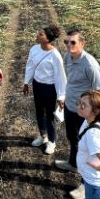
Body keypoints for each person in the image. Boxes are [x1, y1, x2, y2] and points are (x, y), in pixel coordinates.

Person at [55, 29, 100, 199]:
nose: (69, 45)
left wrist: (93, 116)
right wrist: (64, 97)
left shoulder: (90, 65)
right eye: (66, 42)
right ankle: (73, 164)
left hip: (85, 113)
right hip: (70, 106)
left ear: (82, 44)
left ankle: (85, 185)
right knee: (72, 138)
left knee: (87, 148)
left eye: (73, 42)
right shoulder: (68, 56)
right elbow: (69, 80)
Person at [22, 23, 67, 155]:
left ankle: (52, 142)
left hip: (50, 89)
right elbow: (30, 66)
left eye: (41, 34)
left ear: (48, 39)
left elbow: (60, 77)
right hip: (37, 85)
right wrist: (26, 83)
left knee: (50, 117)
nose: (37, 35)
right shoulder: (34, 49)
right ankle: (43, 136)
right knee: (39, 112)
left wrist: (61, 96)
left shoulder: (55, 55)